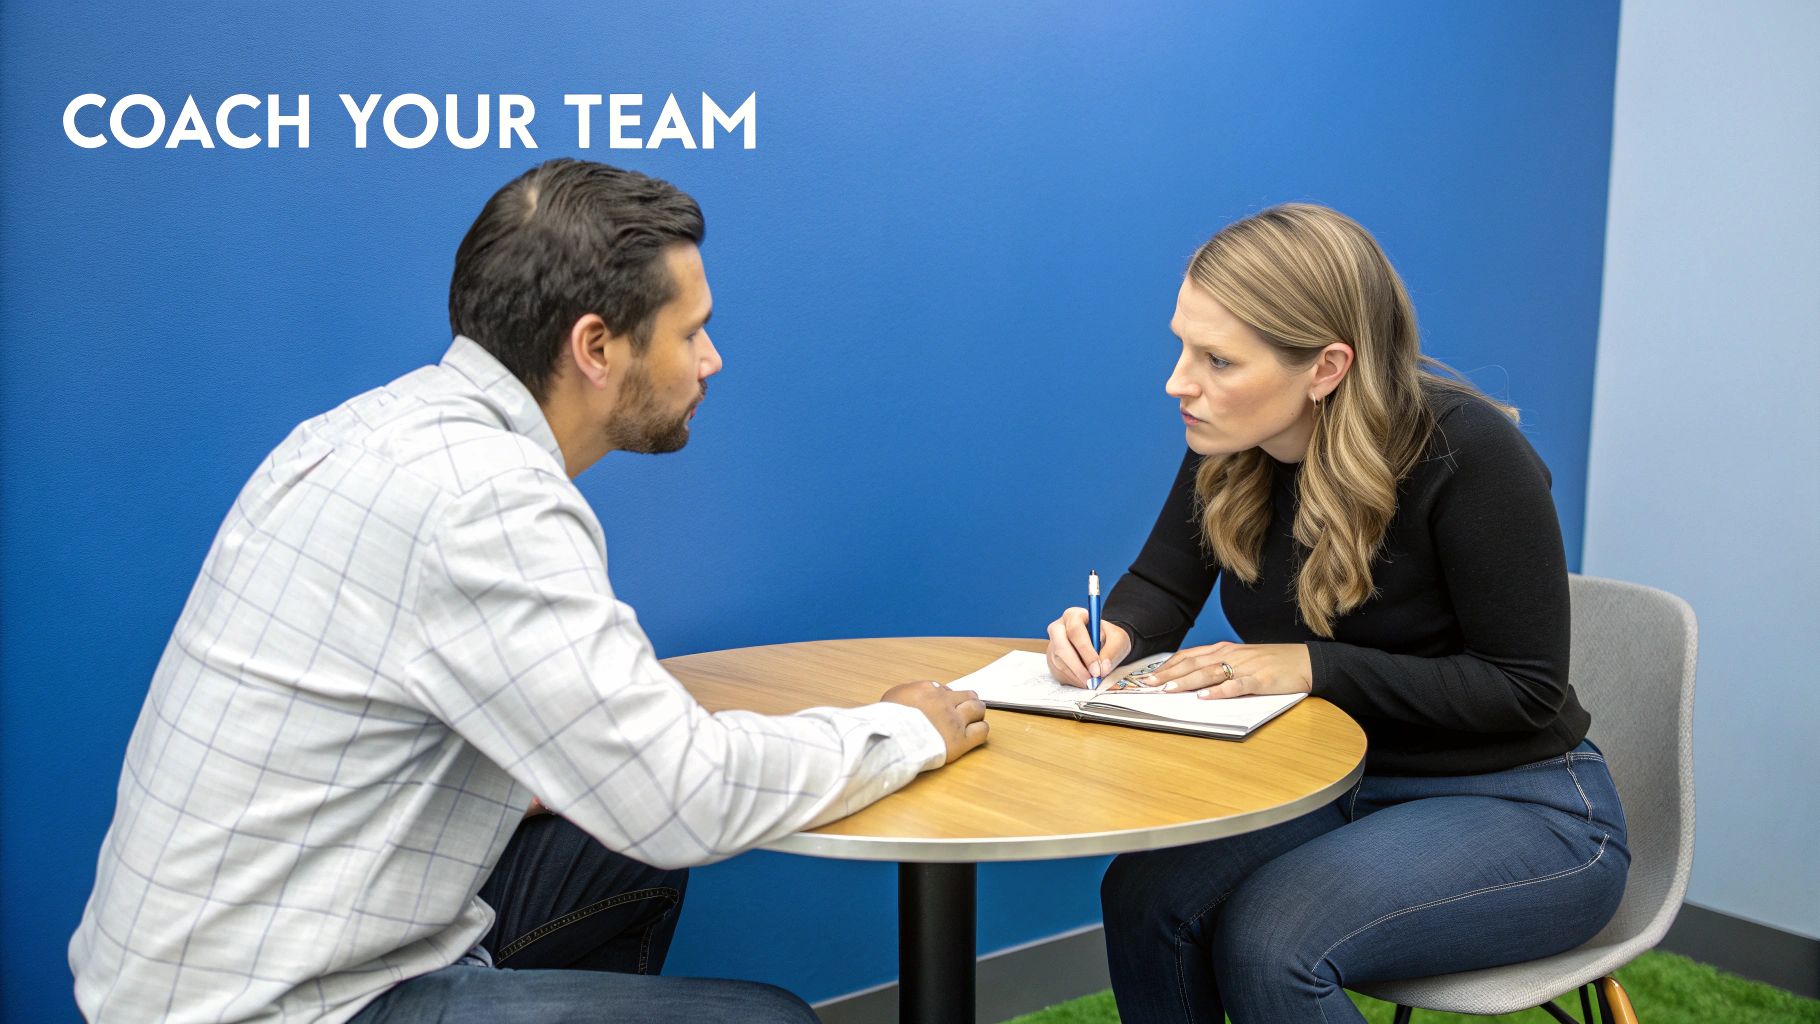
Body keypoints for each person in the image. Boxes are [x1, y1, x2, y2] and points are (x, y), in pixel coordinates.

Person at [69, 159, 989, 1024]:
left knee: (614, 837)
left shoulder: (371, 428)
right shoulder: (487, 500)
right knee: (769, 1018)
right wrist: (905, 729)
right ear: (595, 345)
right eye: (690, 331)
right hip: (283, 1004)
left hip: (220, 955)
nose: (711, 360)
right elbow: (685, 795)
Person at [1043, 204, 1628, 1023]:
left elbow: (1524, 691)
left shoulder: (1470, 453)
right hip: (1336, 779)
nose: (1179, 382)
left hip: (1525, 805)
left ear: (1325, 367)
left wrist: (1314, 666)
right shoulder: (1234, 435)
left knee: (1274, 938)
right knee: (1146, 895)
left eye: (1216, 359)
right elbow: (1167, 586)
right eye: (1182, 346)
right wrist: (1115, 632)